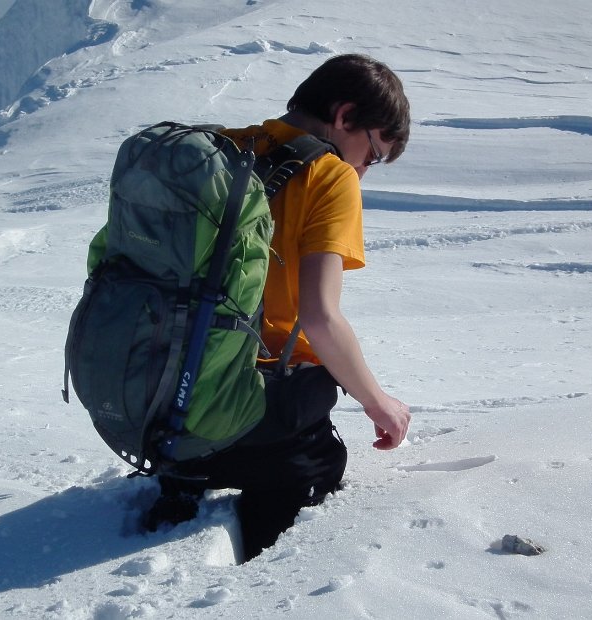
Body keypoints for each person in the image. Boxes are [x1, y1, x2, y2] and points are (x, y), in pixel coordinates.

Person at [143, 53, 412, 561]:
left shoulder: (220, 148)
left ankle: (185, 475)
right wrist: (379, 403)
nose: (362, 169)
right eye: (372, 154)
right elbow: (320, 316)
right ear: (345, 115)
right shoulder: (329, 176)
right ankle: (262, 565)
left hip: (160, 402)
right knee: (320, 460)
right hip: (254, 408)